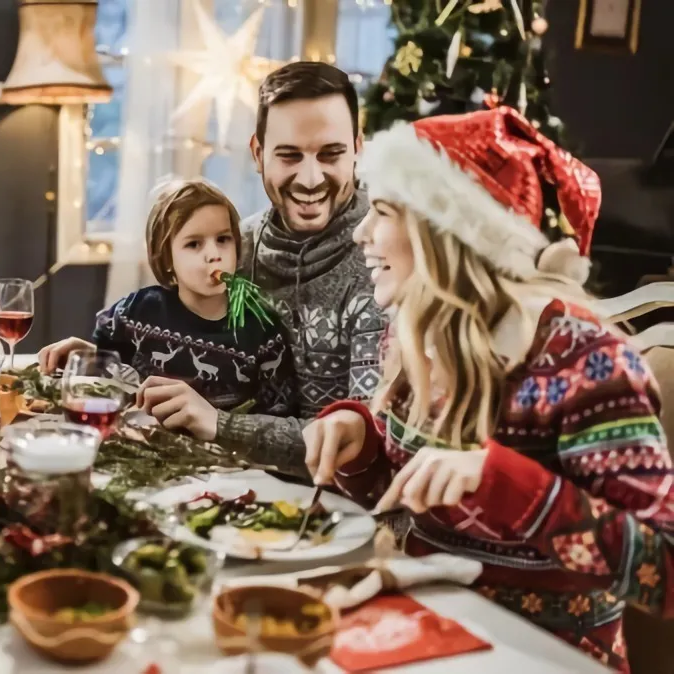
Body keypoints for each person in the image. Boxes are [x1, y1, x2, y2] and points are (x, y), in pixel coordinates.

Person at [304, 106, 674, 670]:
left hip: (545, 655)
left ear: (444, 233)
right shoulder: (417, 331)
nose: (360, 233)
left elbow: (664, 574)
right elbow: (410, 493)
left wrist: (508, 483)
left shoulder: (585, 361)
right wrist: (361, 439)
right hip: (426, 632)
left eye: (380, 211)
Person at [133, 62, 386, 475]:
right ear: (257, 153)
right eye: (289, 155)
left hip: (348, 516)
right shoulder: (235, 248)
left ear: (357, 149)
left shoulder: (386, 261)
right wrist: (105, 363)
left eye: (331, 154)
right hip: (229, 491)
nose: (309, 178)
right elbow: (174, 349)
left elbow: (366, 443)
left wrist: (221, 425)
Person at [38, 178, 294, 415]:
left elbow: (278, 415)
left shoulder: (262, 330)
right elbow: (116, 381)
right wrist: (88, 357)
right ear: (167, 259)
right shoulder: (135, 312)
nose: (214, 254)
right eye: (194, 244)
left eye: (223, 239)